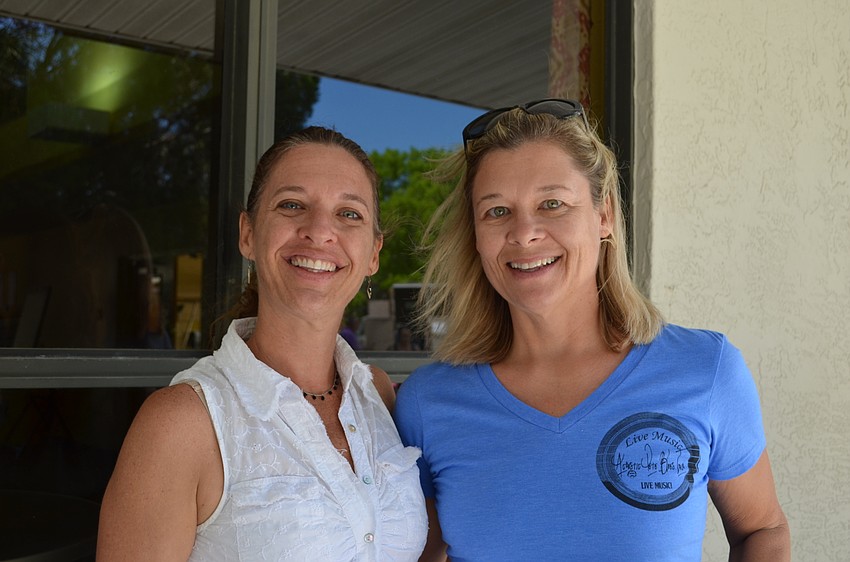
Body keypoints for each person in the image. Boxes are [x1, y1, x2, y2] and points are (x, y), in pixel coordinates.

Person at [393, 99, 790, 561]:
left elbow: (762, 529)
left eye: (553, 203)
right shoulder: (428, 403)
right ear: (477, 235)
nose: (524, 233)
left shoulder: (705, 370)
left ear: (603, 215)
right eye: (497, 211)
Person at [98, 126, 427, 560]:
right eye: (292, 205)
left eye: (349, 214)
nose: (320, 230)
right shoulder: (182, 423)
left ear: (373, 255)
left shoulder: (378, 394)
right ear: (248, 234)